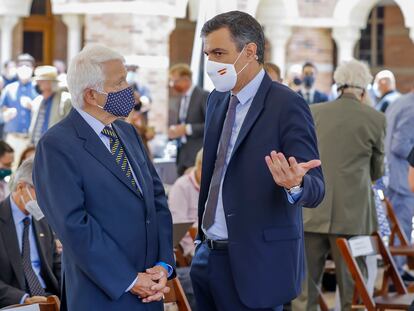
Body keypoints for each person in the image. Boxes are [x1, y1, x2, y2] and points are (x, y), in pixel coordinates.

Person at [190, 11, 325, 311]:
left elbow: (316, 187)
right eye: (208, 54)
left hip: (256, 265)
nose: (211, 62)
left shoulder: (287, 105)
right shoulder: (216, 100)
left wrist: (296, 184)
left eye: (219, 53)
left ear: (249, 52)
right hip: (207, 257)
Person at [33, 44, 175, 310]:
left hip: (150, 289)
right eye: (119, 82)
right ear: (91, 95)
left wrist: (163, 264)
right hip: (103, 293)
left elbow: (156, 200)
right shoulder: (57, 145)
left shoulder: (127, 133)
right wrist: (130, 280)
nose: (128, 89)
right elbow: (73, 224)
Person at [292, 59, 385, 311]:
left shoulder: (314, 111)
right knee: (352, 288)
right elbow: (377, 170)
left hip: (312, 208)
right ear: (364, 90)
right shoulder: (375, 118)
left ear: (338, 85)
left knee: (305, 287)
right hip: (352, 215)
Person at [0, 157, 61, 308]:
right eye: (41, 192)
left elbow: (55, 263)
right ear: (21, 187)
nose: (46, 199)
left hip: (48, 297)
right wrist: (23, 299)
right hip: (15, 300)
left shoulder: (42, 221)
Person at [384, 85, 414, 278]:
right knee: (401, 228)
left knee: (397, 230)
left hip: (393, 175)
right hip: (402, 178)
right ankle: (396, 277)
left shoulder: (399, 101)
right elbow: (400, 145)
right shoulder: (411, 108)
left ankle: (396, 273)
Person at [168, 64, 208, 176]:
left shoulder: (203, 95)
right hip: (182, 155)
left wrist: (187, 129)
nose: (172, 85)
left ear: (186, 79)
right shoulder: (182, 98)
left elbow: (212, 125)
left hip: (197, 154)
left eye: (175, 81)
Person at [0, 54, 38, 165]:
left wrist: (33, 107)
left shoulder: (38, 88)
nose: (24, 68)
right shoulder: (9, 89)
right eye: (21, 65)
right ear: (16, 68)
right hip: (12, 139)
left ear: (33, 68)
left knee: (29, 173)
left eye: (27, 65)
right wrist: (4, 116)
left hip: (31, 140)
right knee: (11, 172)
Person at [168, 148, 202, 257]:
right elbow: (179, 225)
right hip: (193, 250)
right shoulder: (181, 186)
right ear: (200, 165)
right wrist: (194, 253)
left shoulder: (214, 186)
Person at [29, 65, 72, 145]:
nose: (38, 83)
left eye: (41, 81)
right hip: (37, 146)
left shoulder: (65, 100)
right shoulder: (38, 101)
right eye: (37, 81)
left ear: (51, 82)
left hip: (55, 146)